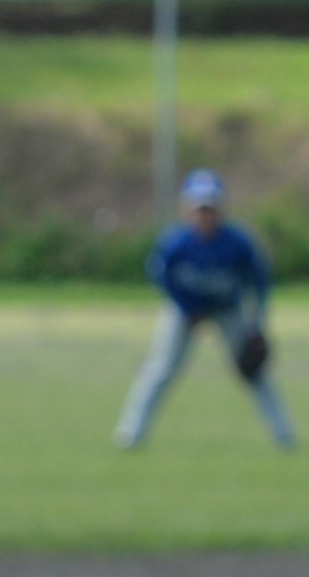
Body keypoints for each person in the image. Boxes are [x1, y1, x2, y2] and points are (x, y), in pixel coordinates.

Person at [112, 169, 295, 453]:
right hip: (185, 311)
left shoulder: (237, 243)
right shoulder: (177, 242)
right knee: (161, 368)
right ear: (186, 209)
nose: (205, 215)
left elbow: (259, 282)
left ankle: (284, 435)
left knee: (253, 371)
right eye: (199, 208)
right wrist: (187, 308)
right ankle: (131, 434)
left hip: (227, 309)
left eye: (211, 208)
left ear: (222, 209)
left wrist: (257, 323)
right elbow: (160, 276)